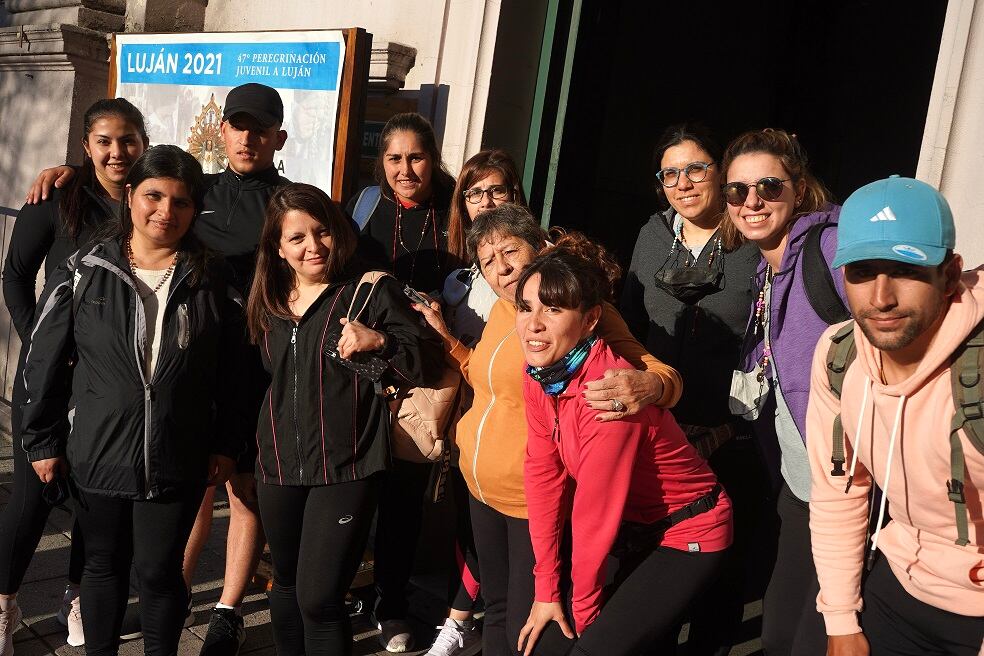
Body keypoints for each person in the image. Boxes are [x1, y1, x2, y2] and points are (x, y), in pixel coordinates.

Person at [25, 82, 291, 655]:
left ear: (195, 209)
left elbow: (233, 369)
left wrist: (225, 442)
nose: (164, 211)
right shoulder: (84, 270)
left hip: (176, 451)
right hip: (98, 450)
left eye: (180, 201)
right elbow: (43, 359)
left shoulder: (211, 279)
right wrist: (41, 438)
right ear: (130, 197)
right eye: (152, 196)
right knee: (102, 568)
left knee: (160, 575)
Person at [411, 204, 682, 656]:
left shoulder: (579, 313)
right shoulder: (506, 311)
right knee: (495, 611)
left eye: (510, 251)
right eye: (487, 261)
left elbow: (653, 369)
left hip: (530, 500)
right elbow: (487, 377)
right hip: (481, 491)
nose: (501, 268)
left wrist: (653, 385)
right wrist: (448, 341)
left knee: (526, 628)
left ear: (538, 248)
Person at [245, 182, 442, 655]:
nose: (313, 246)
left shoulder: (368, 291)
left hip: (348, 464)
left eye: (322, 231)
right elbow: (254, 382)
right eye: (297, 238)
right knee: (286, 588)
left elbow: (428, 361)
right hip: (277, 464)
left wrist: (381, 341)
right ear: (278, 247)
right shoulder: (268, 302)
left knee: (320, 598)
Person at [516, 233, 733, 656]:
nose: (533, 323)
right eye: (525, 307)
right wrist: (545, 591)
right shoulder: (539, 375)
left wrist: (586, 617)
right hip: (632, 527)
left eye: (553, 309)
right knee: (541, 640)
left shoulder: (609, 394)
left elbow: (595, 515)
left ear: (592, 318)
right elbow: (542, 476)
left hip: (689, 528)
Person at [807, 176, 984, 655]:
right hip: (899, 579)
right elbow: (839, 491)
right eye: (862, 271)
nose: (881, 297)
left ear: (949, 276)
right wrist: (841, 619)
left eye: (905, 268)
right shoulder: (838, 355)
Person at [0, 97, 150, 653]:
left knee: (97, 492)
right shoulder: (58, 196)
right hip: (49, 378)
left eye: (128, 139)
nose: (118, 152)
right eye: (105, 141)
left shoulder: (151, 198)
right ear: (85, 147)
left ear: (144, 141)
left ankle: (78, 599)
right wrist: (41, 337)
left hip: (110, 381)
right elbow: (15, 275)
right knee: (32, 498)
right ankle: (6, 606)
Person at [620, 123, 771, 655]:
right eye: (670, 173)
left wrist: (730, 425)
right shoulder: (652, 236)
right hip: (658, 433)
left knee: (719, 582)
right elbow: (629, 330)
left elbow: (766, 348)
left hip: (728, 437)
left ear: (721, 173)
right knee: (652, 568)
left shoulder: (753, 244)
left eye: (696, 169)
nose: (683, 182)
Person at [345, 112, 461, 653]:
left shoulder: (456, 211)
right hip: (363, 370)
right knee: (353, 483)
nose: (406, 169)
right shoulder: (366, 206)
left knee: (404, 493)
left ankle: (391, 603)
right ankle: (342, 588)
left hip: (422, 374)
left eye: (416, 157)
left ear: (433, 159)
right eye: (395, 158)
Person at [723, 128, 842, 655]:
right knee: (776, 634)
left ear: (799, 188)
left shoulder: (831, 247)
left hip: (849, 491)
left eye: (769, 187)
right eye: (737, 191)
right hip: (799, 490)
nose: (752, 202)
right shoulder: (765, 268)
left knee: (810, 641)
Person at [426, 148, 529, 656]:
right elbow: (475, 362)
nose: (485, 201)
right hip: (472, 418)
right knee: (471, 528)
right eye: (474, 193)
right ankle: (467, 618)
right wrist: (442, 333)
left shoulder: (539, 272)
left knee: (517, 560)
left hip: (524, 432)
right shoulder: (459, 280)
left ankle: (460, 618)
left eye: (497, 190)